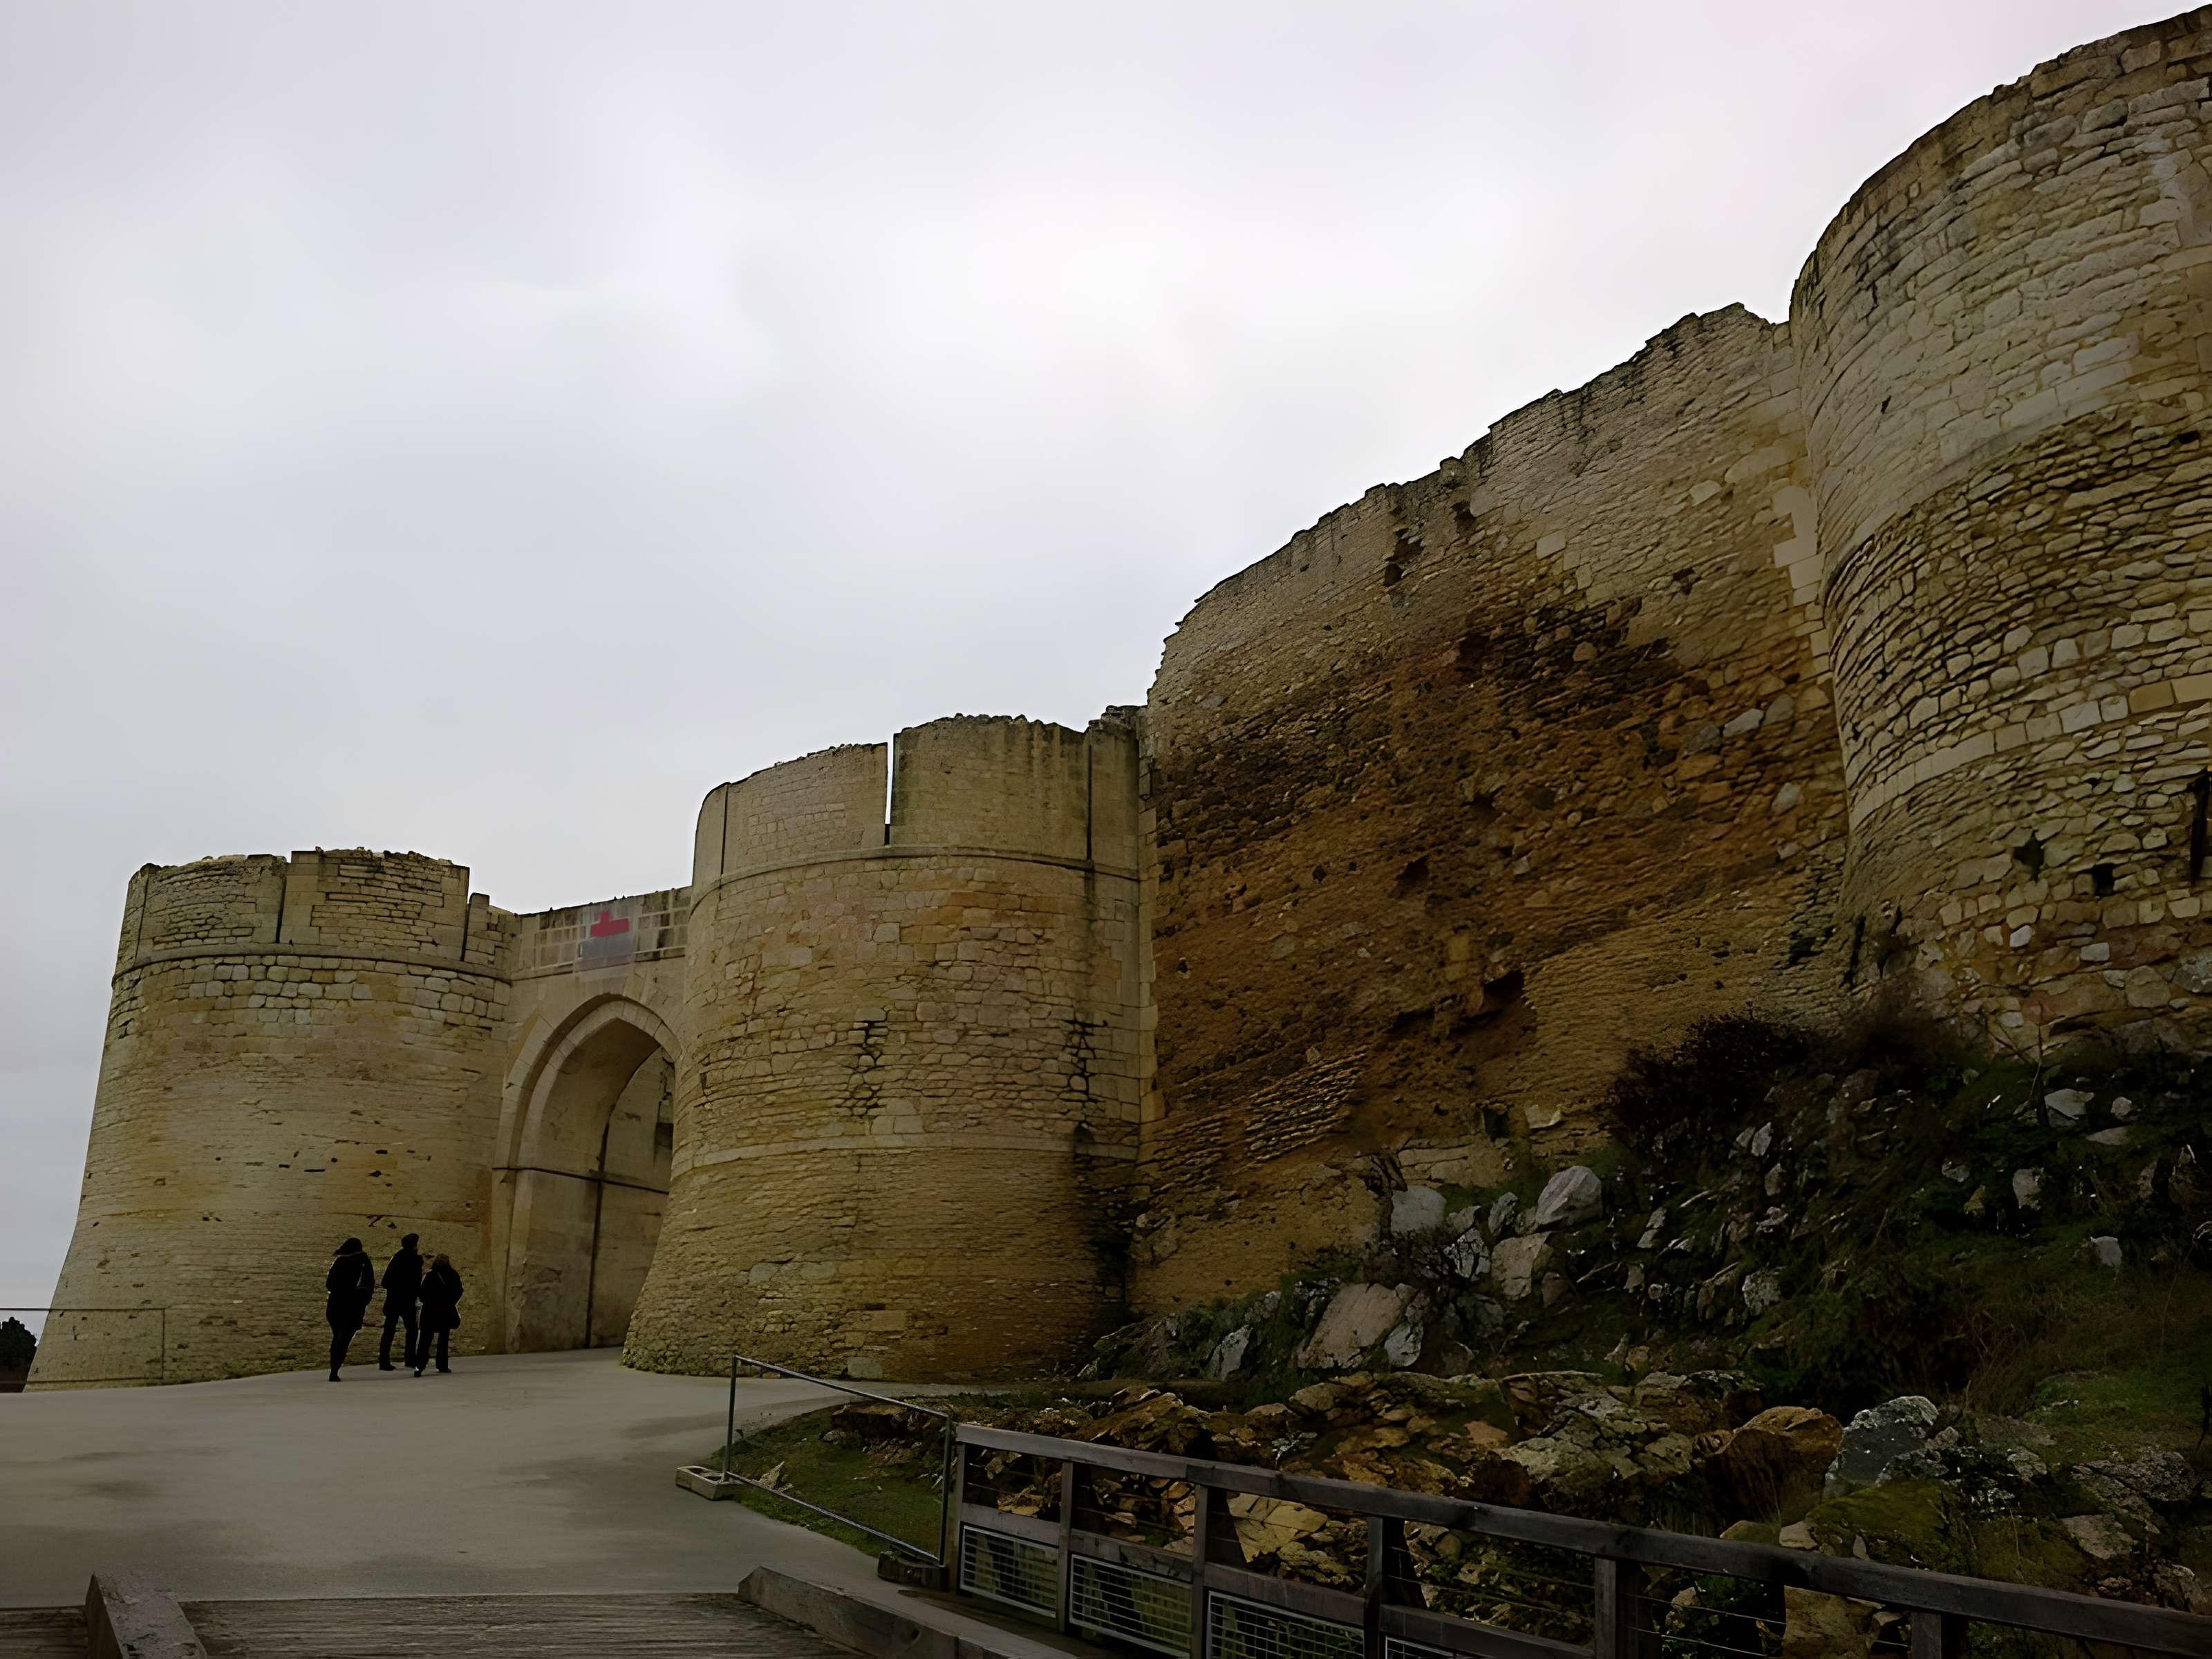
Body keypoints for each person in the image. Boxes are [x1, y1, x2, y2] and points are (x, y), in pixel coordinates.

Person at [324, 1237, 376, 1381]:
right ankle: (336, 1367)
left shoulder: (339, 1262)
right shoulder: (364, 1262)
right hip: (353, 1307)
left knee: (338, 1336)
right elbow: (369, 1285)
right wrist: (363, 1301)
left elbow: (329, 1285)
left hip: (336, 1305)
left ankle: (334, 1367)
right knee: (345, 1338)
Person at [377, 1233, 424, 1371]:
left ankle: (384, 1361)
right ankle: (410, 1359)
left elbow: (385, 1282)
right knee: (412, 1330)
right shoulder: (415, 1260)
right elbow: (416, 1282)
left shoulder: (397, 1258)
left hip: (393, 1300)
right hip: (407, 1301)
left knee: (389, 1331)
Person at [414, 1254, 463, 1376]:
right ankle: (442, 1365)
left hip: (430, 1312)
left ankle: (419, 1366)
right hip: (445, 1311)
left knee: (425, 1340)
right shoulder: (453, 1275)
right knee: (443, 1339)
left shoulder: (431, 1276)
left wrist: (429, 1302)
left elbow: (422, 1293)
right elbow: (459, 1291)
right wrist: (451, 1302)